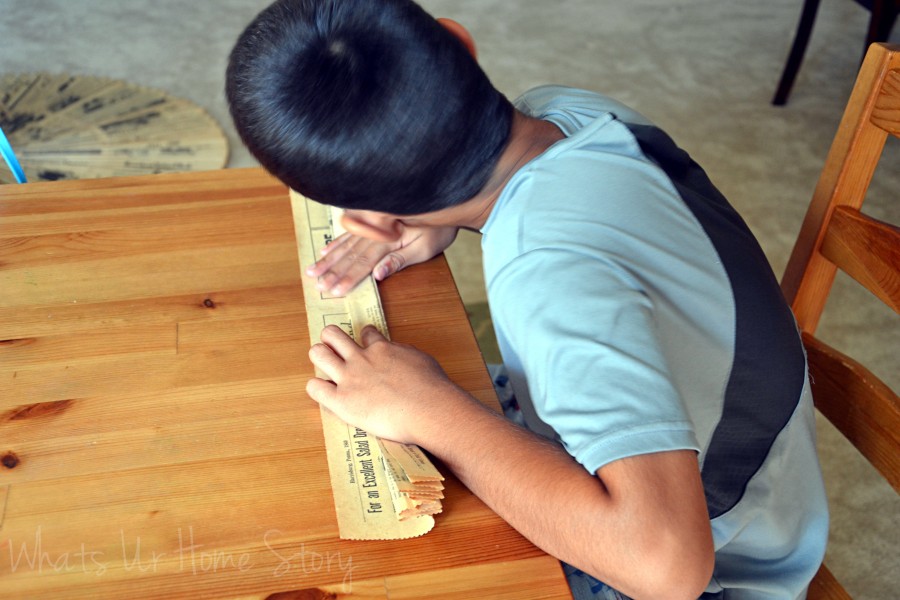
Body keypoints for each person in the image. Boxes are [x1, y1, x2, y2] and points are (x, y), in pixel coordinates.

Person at [225, 1, 829, 598]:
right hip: (744, 468)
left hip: (725, 560)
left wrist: (432, 412)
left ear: (375, 225)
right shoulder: (564, 109)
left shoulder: (547, 278)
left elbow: (665, 570)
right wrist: (445, 219)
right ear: (458, 41)